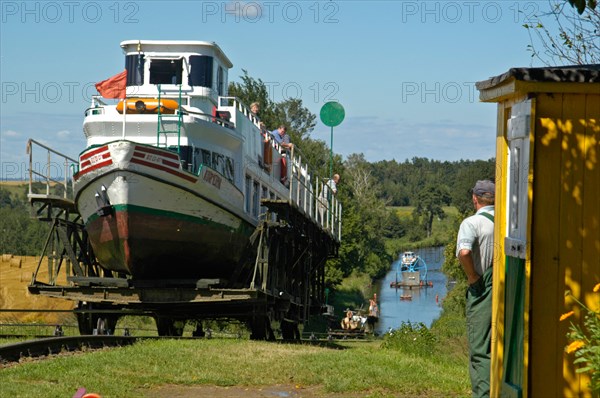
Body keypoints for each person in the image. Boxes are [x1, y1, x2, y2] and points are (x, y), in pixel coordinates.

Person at [456, 179, 495, 398]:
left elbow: (464, 252)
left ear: (475, 199)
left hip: (482, 290)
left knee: (480, 349)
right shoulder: (506, 222)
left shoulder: (472, 223)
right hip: (503, 287)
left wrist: (472, 277)